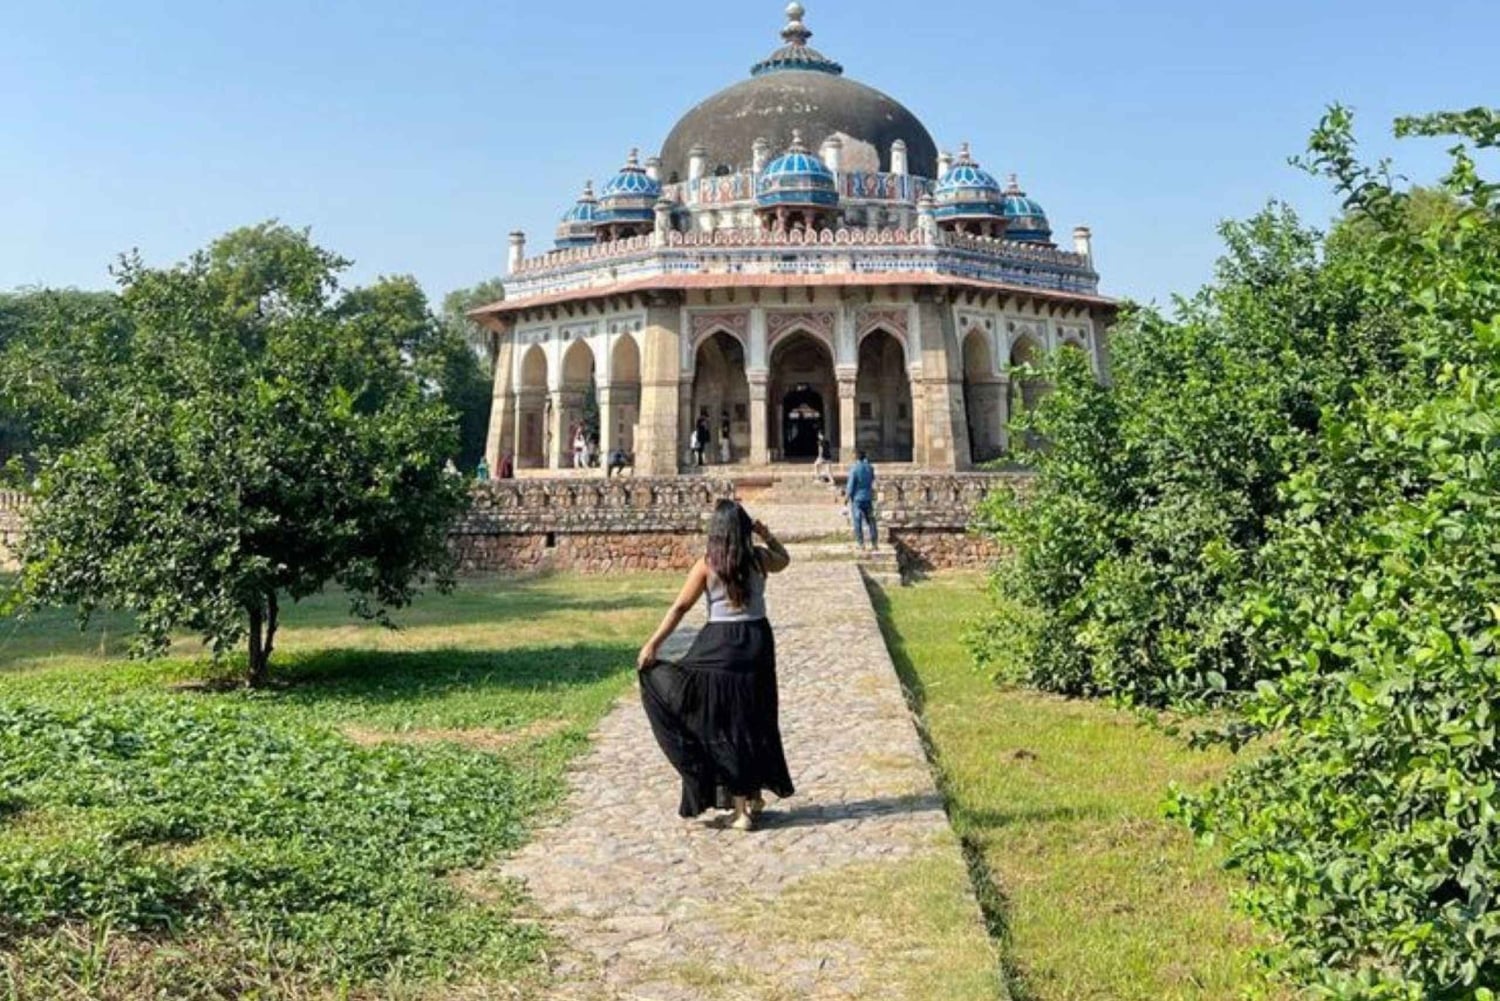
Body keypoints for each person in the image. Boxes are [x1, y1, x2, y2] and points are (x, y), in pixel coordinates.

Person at [637, 501, 794, 831]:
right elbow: (785, 559)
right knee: (755, 719)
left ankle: (741, 811)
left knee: (724, 722)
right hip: (756, 642)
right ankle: (752, 797)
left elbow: (680, 607)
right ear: (744, 529)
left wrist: (654, 643)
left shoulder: (708, 565)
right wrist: (767, 535)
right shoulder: (760, 559)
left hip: (720, 645)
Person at [845, 449, 877, 551]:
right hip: (867, 496)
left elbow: (850, 485)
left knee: (857, 520)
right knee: (871, 520)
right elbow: (872, 480)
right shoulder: (870, 468)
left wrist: (847, 497)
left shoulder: (854, 469)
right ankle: (874, 543)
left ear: (856, 457)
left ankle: (861, 543)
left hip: (857, 498)